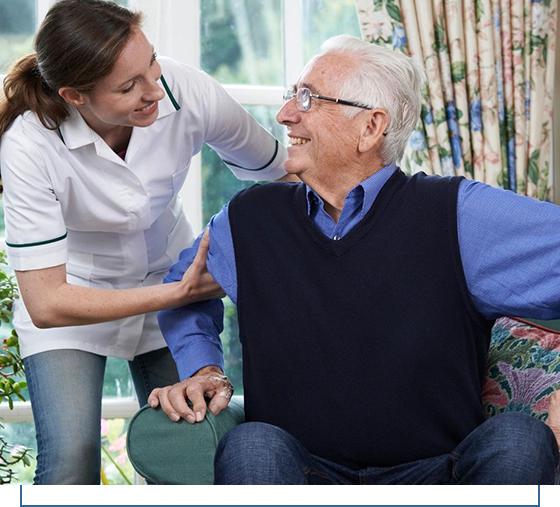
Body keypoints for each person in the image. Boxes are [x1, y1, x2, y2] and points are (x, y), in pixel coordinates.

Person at [149, 35, 560, 485]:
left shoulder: (460, 215)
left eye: (307, 98)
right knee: (252, 443)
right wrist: (204, 368)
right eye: (291, 95)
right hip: (303, 473)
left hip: (441, 475)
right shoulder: (248, 219)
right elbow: (180, 292)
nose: (285, 113)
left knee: (521, 438)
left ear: (370, 127)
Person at [0, 0, 289, 485]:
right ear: (75, 96)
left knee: (185, 449)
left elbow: (282, 176)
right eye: (128, 86)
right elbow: (48, 302)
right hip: (75, 294)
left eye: (150, 63)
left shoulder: (184, 90)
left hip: (167, 274)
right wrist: (180, 294)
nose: (155, 90)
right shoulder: (30, 145)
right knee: (72, 456)